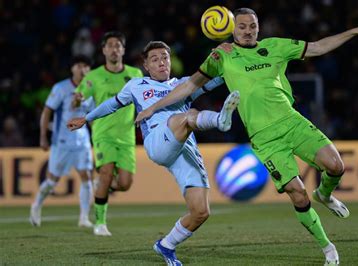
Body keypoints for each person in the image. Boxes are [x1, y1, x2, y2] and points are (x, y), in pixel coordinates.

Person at [135, 7, 358, 265]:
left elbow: (318, 47)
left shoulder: (275, 46)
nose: (248, 31)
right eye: (242, 27)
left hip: (292, 122)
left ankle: (325, 195)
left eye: (252, 26)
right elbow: (188, 86)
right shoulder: (222, 56)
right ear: (232, 29)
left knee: (336, 166)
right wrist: (153, 107)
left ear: (258, 27)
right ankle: (327, 247)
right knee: (297, 193)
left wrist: (354, 31)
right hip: (265, 138)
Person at [67, 41, 239, 265]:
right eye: (155, 59)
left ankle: (166, 245)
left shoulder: (184, 84)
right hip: (157, 142)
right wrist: (86, 118)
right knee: (184, 117)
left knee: (200, 212)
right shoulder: (137, 85)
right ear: (146, 65)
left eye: (165, 58)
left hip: (185, 148)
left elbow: (219, 78)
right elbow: (112, 104)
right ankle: (219, 120)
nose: (161, 62)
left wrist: (228, 57)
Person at [73, 31, 143, 236]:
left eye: (118, 45)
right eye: (110, 45)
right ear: (103, 49)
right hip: (103, 134)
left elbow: (143, 100)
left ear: (123, 50)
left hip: (127, 137)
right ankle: (100, 223)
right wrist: (76, 100)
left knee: (124, 184)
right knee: (105, 172)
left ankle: (102, 186)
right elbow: (79, 97)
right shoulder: (93, 76)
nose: (114, 49)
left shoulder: (135, 74)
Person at [30, 55, 94, 228]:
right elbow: (46, 112)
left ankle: (84, 218)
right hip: (62, 141)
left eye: (86, 66)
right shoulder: (61, 88)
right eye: (79, 65)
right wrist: (43, 136)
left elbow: (93, 115)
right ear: (72, 68)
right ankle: (36, 205)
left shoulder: (91, 88)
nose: (83, 69)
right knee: (52, 181)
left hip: (83, 142)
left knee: (87, 177)